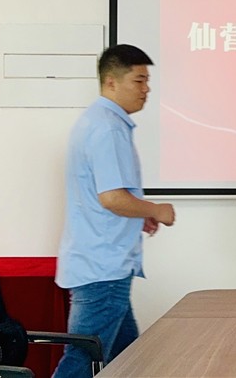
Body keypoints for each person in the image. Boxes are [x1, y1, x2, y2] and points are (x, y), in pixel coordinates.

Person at [54, 44, 175, 378]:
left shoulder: (99, 121)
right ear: (111, 82)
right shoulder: (107, 127)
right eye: (139, 80)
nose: (146, 89)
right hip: (103, 269)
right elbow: (112, 198)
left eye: (147, 80)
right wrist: (157, 209)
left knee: (128, 359)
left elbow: (108, 196)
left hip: (102, 265)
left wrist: (141, 213)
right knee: (82, 359)